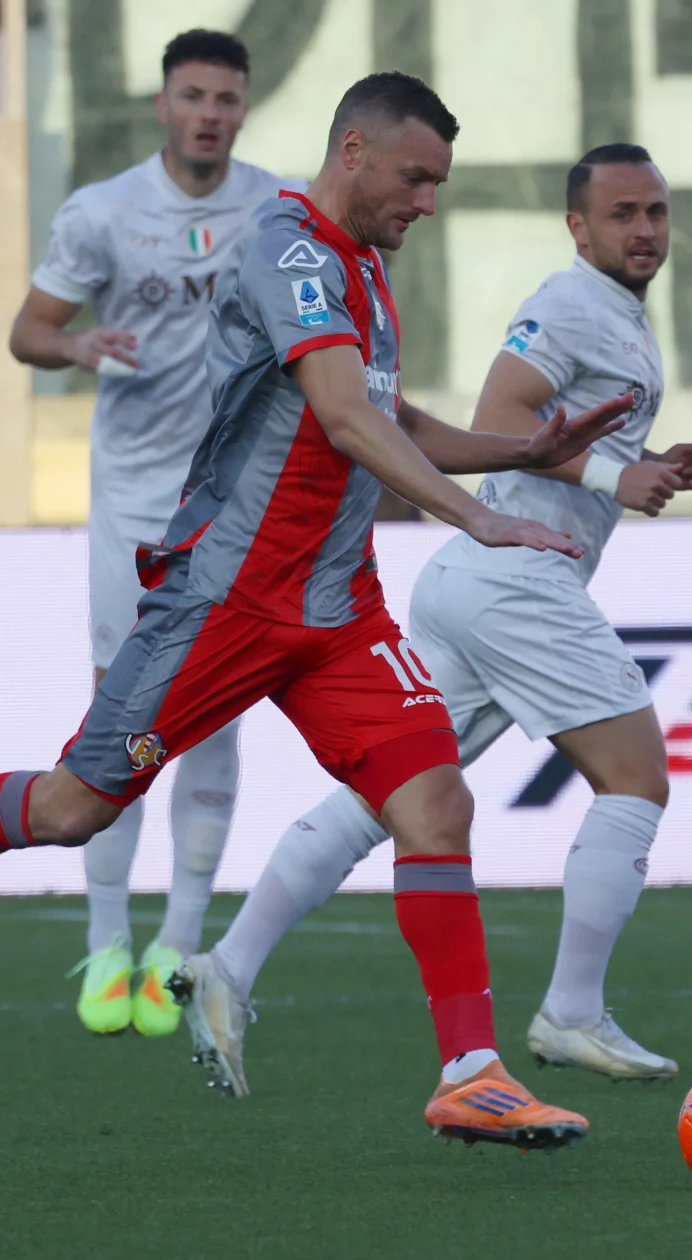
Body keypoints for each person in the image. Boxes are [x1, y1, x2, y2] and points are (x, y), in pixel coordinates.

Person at [0, 73, 631, 1151]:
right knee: (71, 812)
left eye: (438, 183)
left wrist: (522, 451)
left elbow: (395, 416)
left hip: (338, 612)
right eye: (415, 177)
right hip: (228, 601)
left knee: (435, 803)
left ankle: (472, 1074)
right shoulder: (286, 247)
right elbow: (342, 417)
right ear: (353, 152)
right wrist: (474, 520)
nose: (427, 201)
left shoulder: (365, 271)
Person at [181, 143, 692, 1092]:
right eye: (623, 214)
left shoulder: (621, 316)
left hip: (474, 582)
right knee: (636, 776)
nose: (644, 231)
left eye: (657, 213)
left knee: (386, 796)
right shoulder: (566, 302)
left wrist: (651, 464)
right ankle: (572, 1012)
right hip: (516, 581)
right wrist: (609, 474)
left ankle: (228, 966)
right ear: (578, 227)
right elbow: (503, 411)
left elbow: (564, 436)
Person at [9, 29, 305, 1039]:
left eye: (227, 97)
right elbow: (28, 330)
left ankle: (175, 945)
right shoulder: (103, 213)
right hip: (133, 501)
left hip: (229, 500)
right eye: (193, 95)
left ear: (244, 108)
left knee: (211, 711)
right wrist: (78, 342)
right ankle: (104, 943)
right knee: (116, 711)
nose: (210, 113)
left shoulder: (276, 208)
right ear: (162, 104)